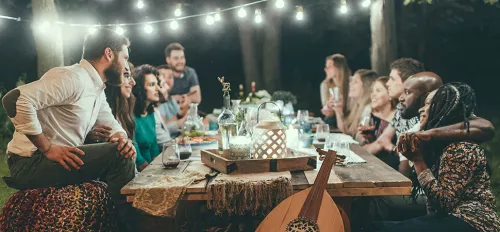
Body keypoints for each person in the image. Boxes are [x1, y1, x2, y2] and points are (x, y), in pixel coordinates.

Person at [1, 28, 137, 231]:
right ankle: (136, 225)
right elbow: (15, 99)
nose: (126, 66)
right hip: (30, 163)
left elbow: (112, 124)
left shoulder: (96, 89)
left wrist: (121, 138)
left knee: (123, 148)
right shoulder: (74, 78)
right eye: (125, 58)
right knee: (119, 155)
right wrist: (47, 147)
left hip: (54, 161)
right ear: (109, 54)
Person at [383, 83, 500, 232]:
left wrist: (417, 160)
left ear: (443, 109)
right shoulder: (436, 143)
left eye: (427, 104)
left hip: (473, 222)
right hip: (452, 217)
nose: (420, 109)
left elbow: (444, 203)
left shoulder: (460, 148)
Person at [86, 62, 136, 143]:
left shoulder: (125, 108)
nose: (133, 82)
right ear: (112, 78)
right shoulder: (96, 109)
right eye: (127, 76)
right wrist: (88, 137)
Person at [358, 76, 398, 169]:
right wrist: (364, 136)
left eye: (378, 91)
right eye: (372, 91)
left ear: (390, 95)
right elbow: (358, 141)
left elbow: (381, 144)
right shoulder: (369, 112)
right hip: (370, 161)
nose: (373, 94)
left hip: (390, 166)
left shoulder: (398, 115)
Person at [330, 69, 377, 137]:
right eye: (352, 81)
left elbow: (359, 139)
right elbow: (347, 132)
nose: (350, 84)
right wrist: (338, 110)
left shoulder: (368, 109)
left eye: (355, 82)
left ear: (366, 86)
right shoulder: (357, 105)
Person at [132, 64, 161, 171]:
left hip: (151, 169)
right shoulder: (130, 116)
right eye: (152, 84)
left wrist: (160, 169)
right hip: (139, 174)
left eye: (157, 84)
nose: (158, 88)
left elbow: (154, 149)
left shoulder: (150, 113)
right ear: (140, 88)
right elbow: (138, 160)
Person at [156, 64, 188, 137]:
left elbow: (177, 117)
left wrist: (184, 111)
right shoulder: (158, 102)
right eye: (163, 76)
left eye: (170, 77)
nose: (166, 80)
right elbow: (163, 129)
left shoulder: (171, 99)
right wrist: (185, 118)